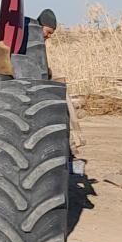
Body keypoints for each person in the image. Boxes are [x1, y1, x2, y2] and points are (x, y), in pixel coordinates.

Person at [37, 9, 85, 165]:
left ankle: (68, 149)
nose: (49, 36)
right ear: (41, 26)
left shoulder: (39, 46)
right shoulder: (29, 37)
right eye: (48, 32)